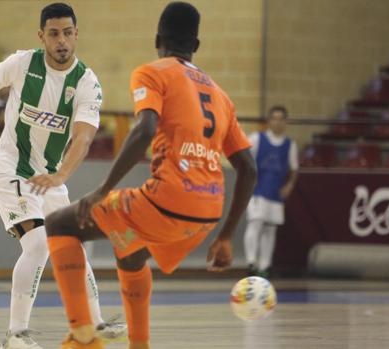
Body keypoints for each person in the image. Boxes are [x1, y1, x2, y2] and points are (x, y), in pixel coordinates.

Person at [43, 2, 257, 348]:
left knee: (59, 224)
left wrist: (103, 189)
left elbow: (144, 131)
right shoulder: (221, 96)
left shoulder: (152, 72)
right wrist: (226, 236)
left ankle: (83, 335)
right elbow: (248, 168)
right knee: (131, 250)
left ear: (157, 39)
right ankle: (139, 344)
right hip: (206, 215)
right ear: (196, 47)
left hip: (168, 200)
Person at [0, 3, 127, 349]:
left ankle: (95, 323)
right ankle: (15, 335)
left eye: (68, 33)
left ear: (76, 34)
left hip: (49, 178)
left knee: (73, 246)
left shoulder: (86, 81)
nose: (62, 41)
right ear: (42, 37)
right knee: (38, 245)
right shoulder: (23, 63)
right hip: (9, 168)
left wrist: (61, 175)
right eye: (54, 34)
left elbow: (83, 137)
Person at [244, 105, 298, 278]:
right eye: (274, 118)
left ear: (286, 122)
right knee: (255, 223)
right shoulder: (257, 139)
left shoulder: (290, 145)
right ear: (269, 121)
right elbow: (242, 155)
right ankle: (251, 263)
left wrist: (289, 185)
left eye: (281, 119)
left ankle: (265, 266)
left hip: (275, 193)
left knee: (270, 230)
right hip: (257, 191)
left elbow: (294, 169)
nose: (277, 122)